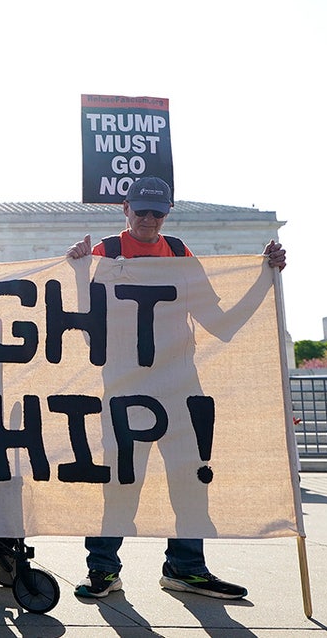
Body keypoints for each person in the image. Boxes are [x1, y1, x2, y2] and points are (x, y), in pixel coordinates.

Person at [66, 177, 287, 601]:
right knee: (120, 480)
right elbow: (87, 332)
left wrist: (264, 276)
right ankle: (102, 571)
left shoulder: (180, 253)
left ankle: (186, 568)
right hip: (127, 385)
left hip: (181, 386)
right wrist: (77, 272)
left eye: (158, 212)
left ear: (168, 213)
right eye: (142, 210)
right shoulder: (104, 255)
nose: (149, 219)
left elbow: (220, 325)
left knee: (190, 480)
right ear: (124, 209)